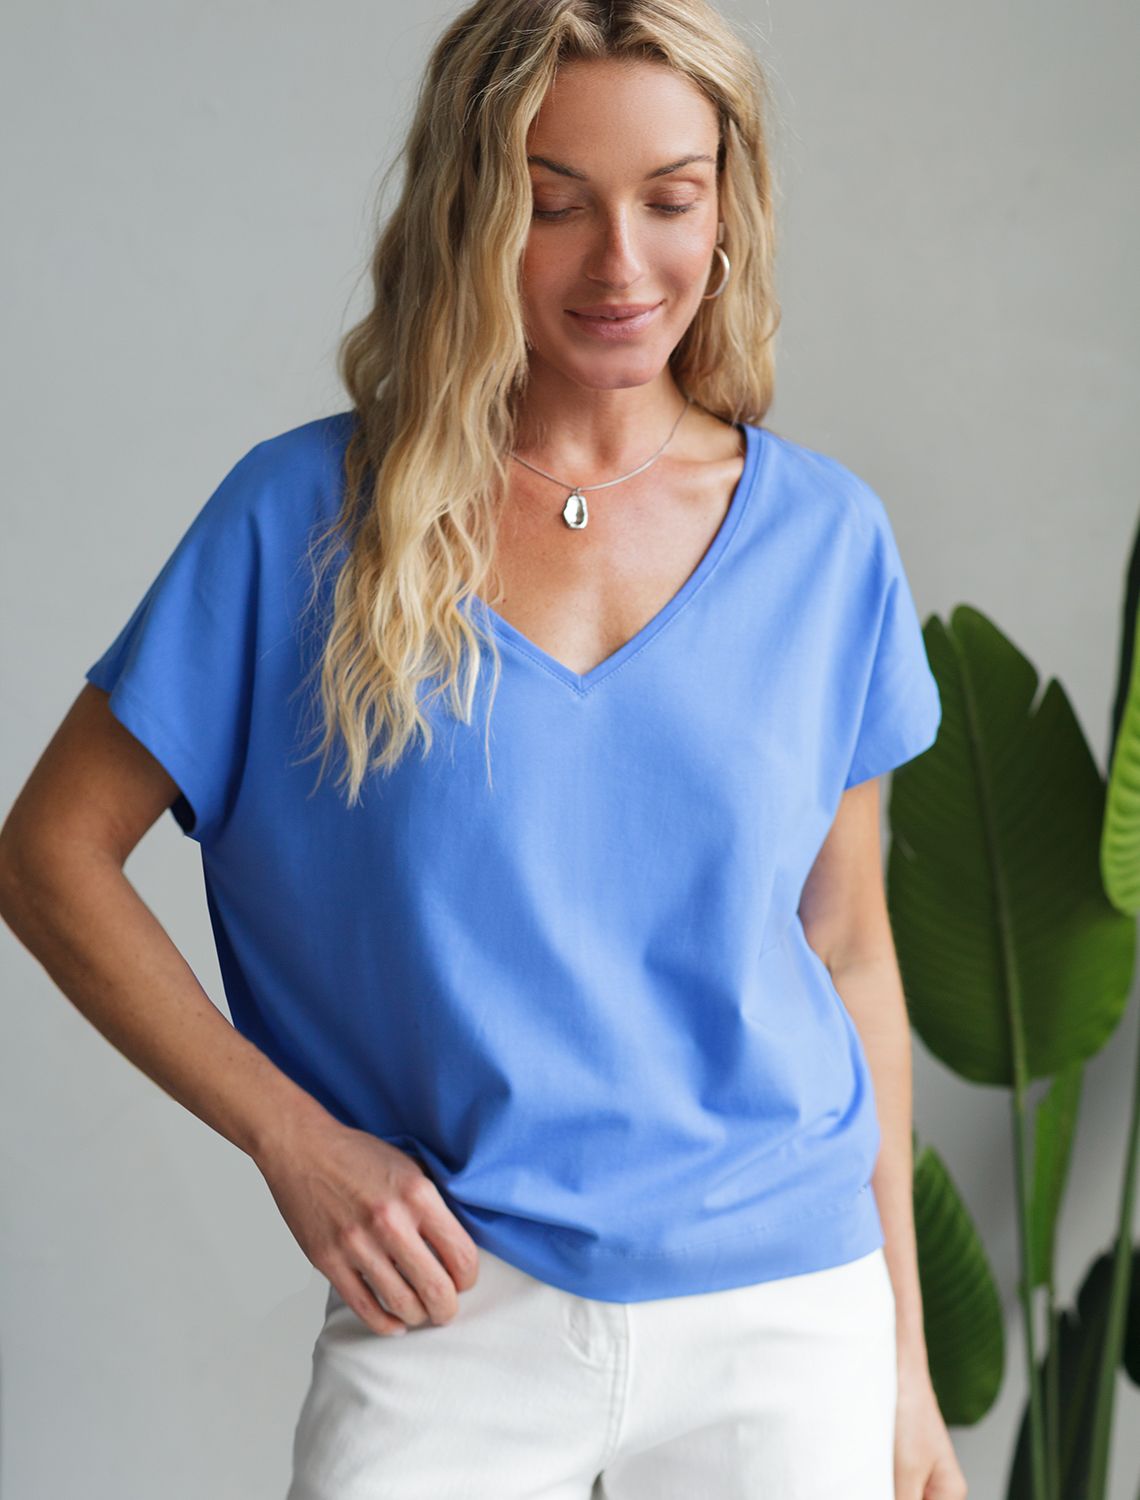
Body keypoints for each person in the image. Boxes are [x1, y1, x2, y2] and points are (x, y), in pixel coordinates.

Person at [0, 1, 969, 1497]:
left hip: (785, 1308)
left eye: (670, 199)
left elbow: (849, 949)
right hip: (449, 1300)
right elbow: (47, 856)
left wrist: (903, 1363)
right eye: (554, 201)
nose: (620, 264)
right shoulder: (303, 520)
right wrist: (291, 1139)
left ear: (727, 209)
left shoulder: (827, 540)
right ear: (469, 211)